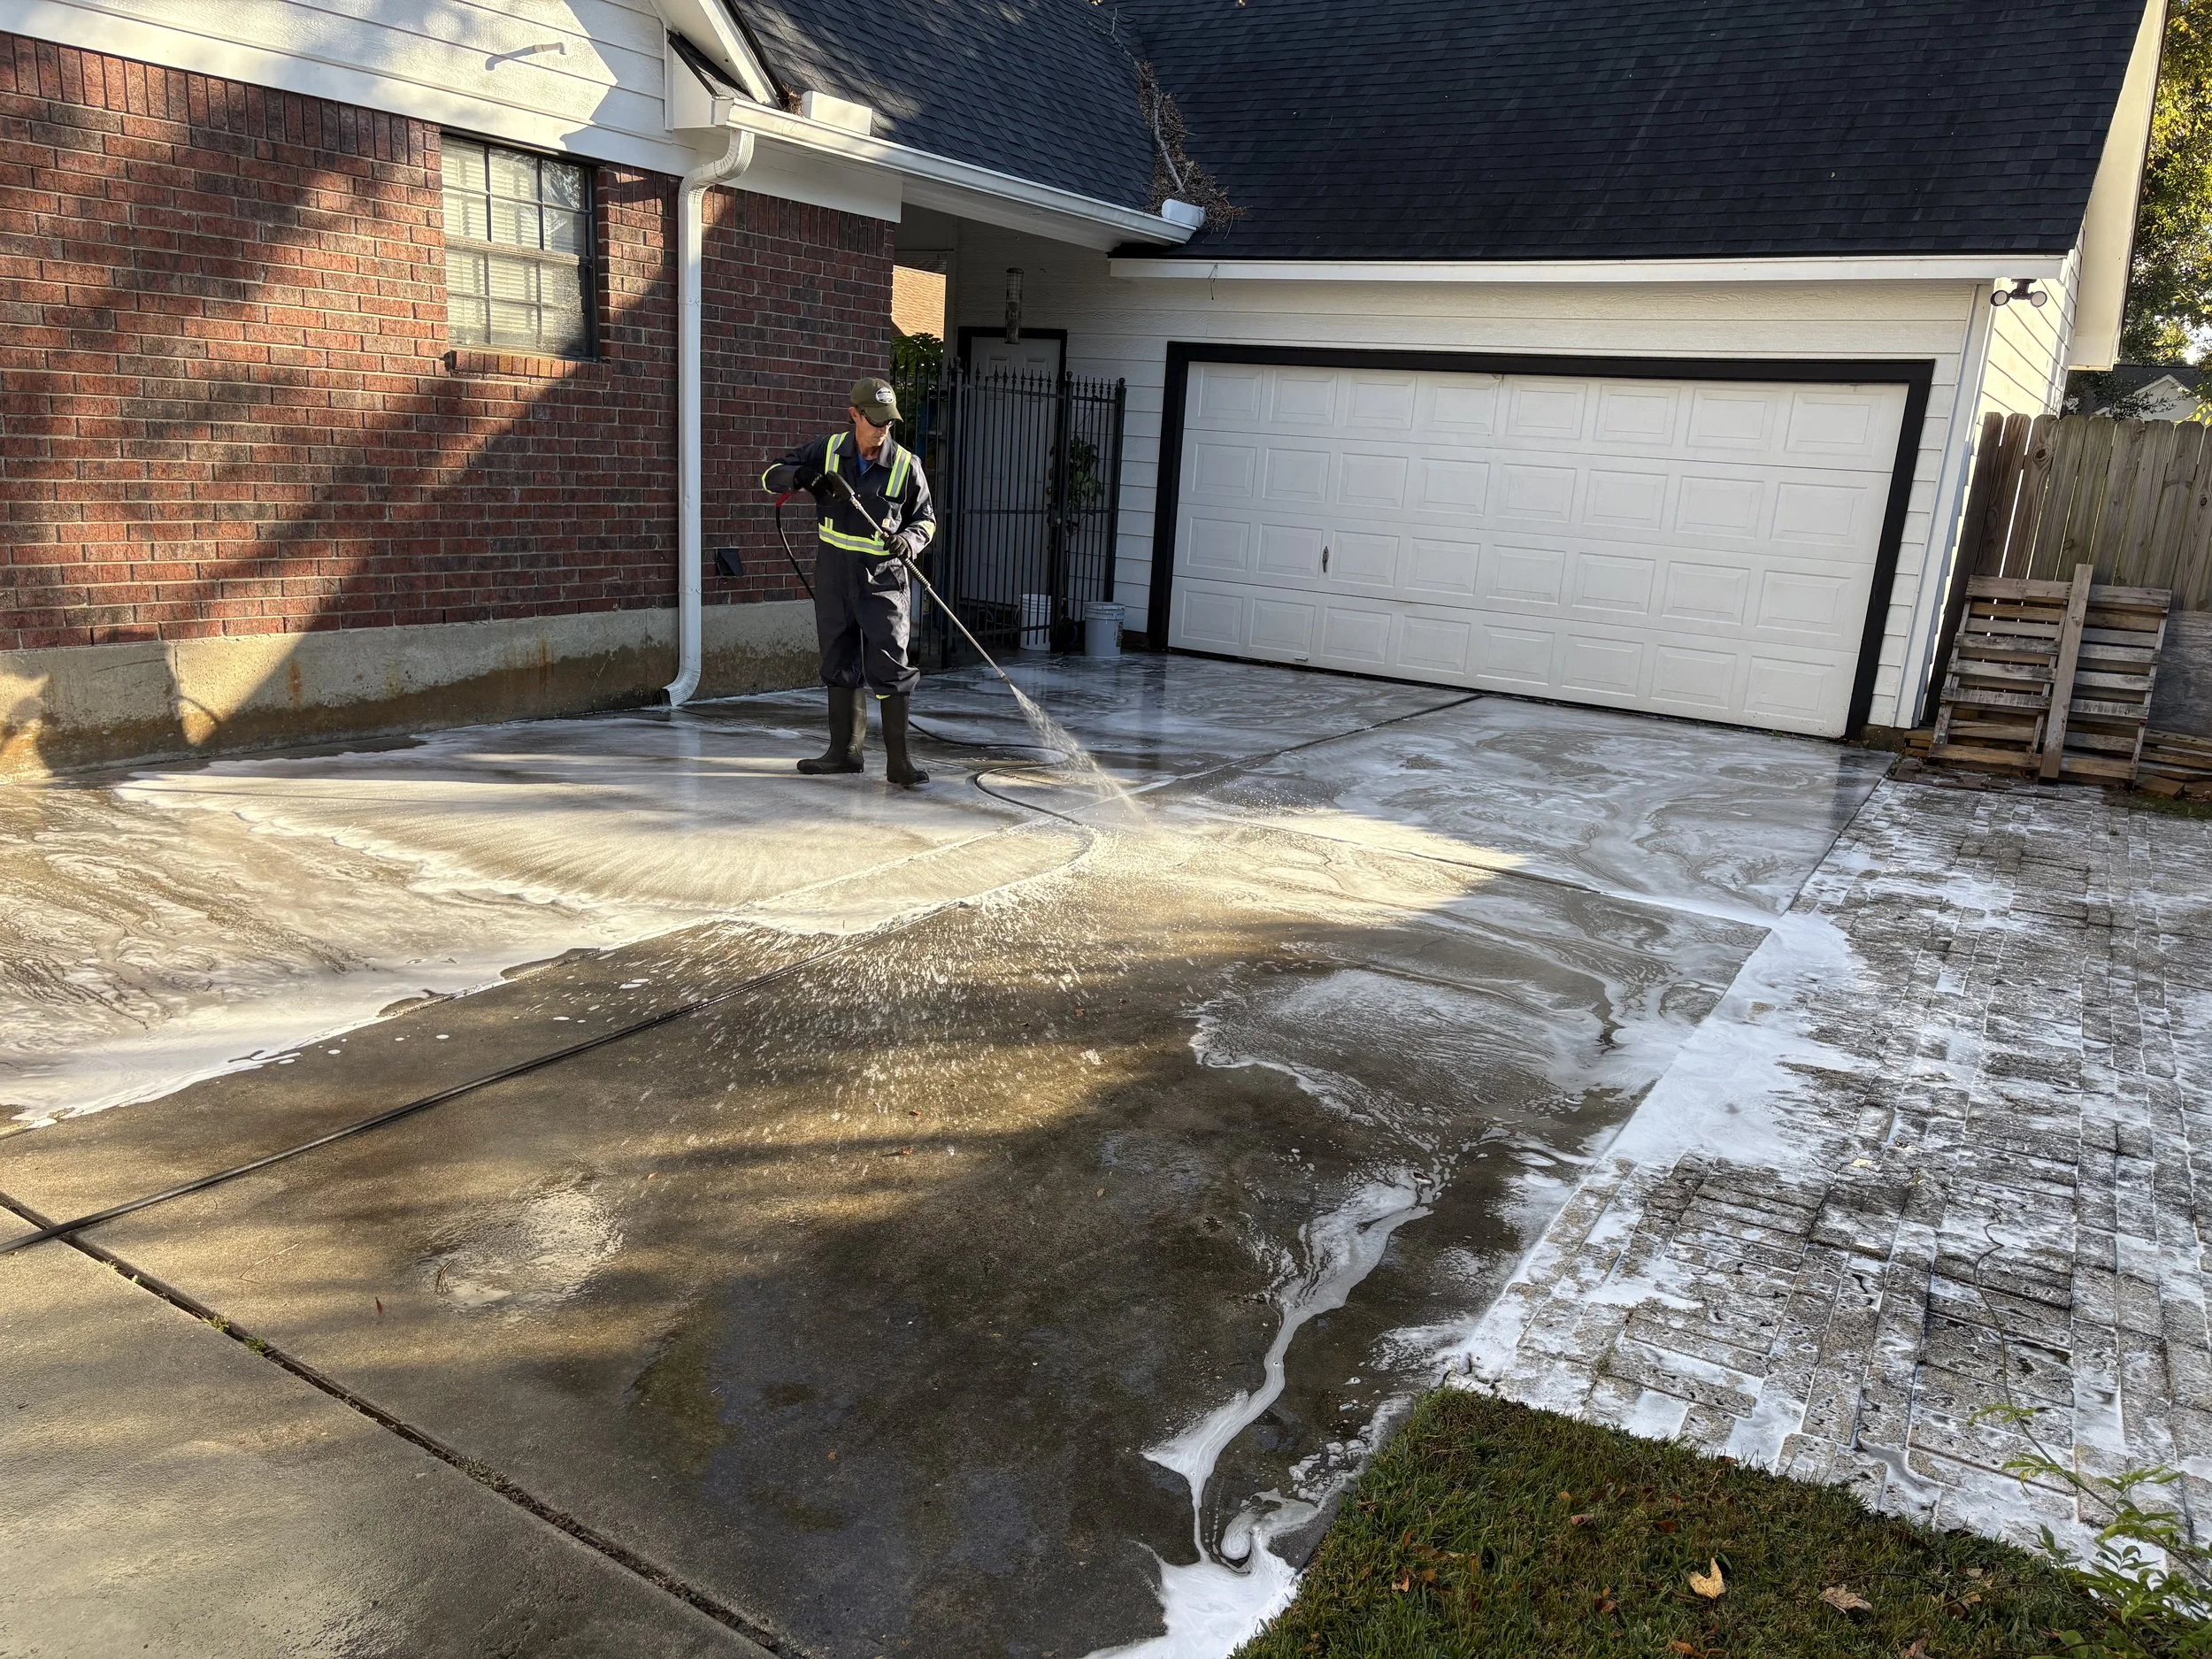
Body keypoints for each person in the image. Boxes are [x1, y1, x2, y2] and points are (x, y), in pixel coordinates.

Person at [761, 378, 937, 787]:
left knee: (891, 668)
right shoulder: (826, 451)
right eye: (874, 421)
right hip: (835, 576)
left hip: (884, 582)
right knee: (838, 662)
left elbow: (926, 520)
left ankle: (900, 763)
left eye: (888, 423)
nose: (882, 429)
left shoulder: (906, 465)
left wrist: (907, 541)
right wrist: (803, 476)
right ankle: (844, 754)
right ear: (854, 414)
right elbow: (771, 475)